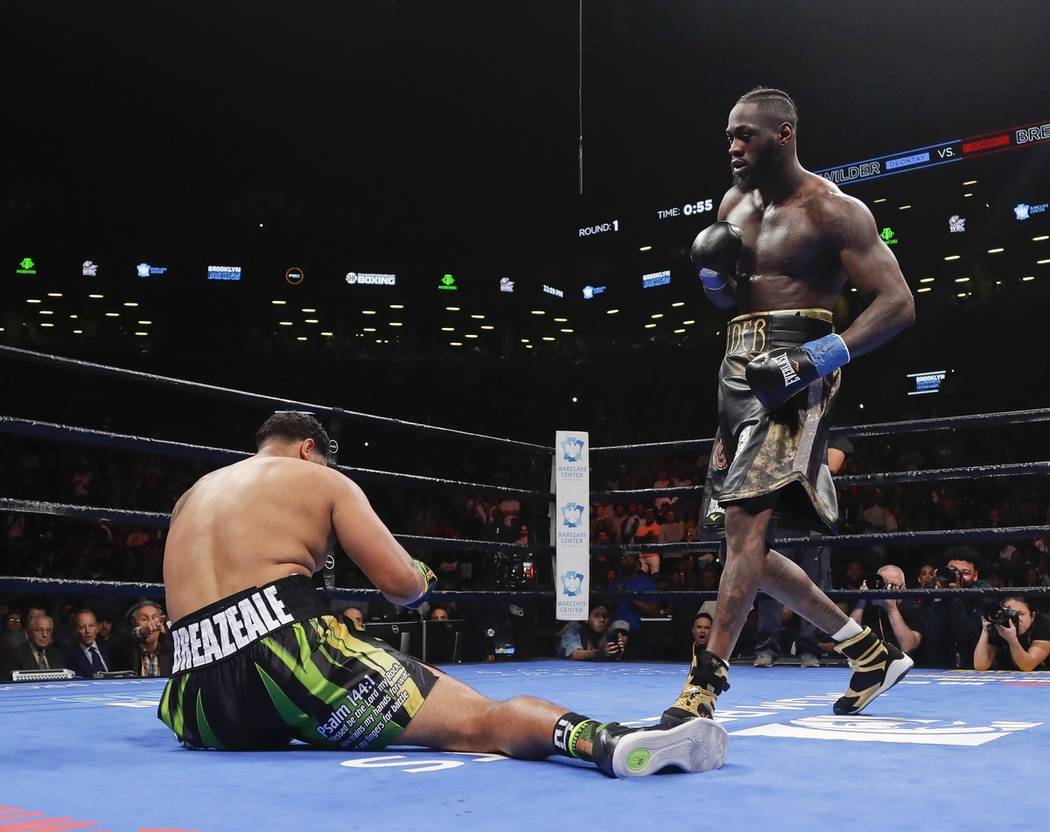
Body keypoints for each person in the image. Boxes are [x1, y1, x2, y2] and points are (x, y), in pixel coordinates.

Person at [157, 412, 726, 777]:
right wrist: (424, 575)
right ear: (309, 448)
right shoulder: (320, 478)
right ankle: (606, 741)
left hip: (197, 703)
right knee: (481, 718)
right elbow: (401, 588)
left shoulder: (192, 496)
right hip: (292, 662)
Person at [663, 87, 916, 728]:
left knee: (746, 524)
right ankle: (867, 652)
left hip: (799, 361)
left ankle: (703, 687)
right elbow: (735, 301)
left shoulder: (833, 210)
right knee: (738, 540)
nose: (733, 147)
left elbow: (897, 302)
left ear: (785, 134)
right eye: (729, 135)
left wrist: (817, 358)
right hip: (735, 365)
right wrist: (715, 282)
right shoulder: (733, 205)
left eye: (745, 135)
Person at [973, 597, 1050, 671]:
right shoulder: (1000, 625)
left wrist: (1012, 640)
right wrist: (985, 630)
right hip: (1006, 677)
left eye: (1020, 614)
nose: (1014, 617)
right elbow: (980, 666)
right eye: (1009, 612)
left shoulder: (1043, 626)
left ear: (1032, 616)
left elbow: (1027, 666)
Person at [558, 603, 626, 661]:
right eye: (596, 616)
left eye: (605, 616)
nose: (602, 620)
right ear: (587, 619)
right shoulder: (573, 630)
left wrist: (618, 649)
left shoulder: (608, 631)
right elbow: (575, 654)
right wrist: (599, 653)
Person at [63, 609, 113, 677]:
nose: (87, 631)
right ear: (75, 631)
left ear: (97, 628)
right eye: (82, 627)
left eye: (91, 626)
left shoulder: (109, 647)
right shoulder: (69, 655)